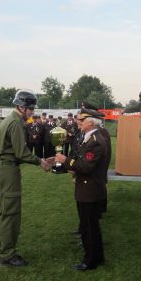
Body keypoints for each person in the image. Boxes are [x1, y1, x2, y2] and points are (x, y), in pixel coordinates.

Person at [0, 90, 51, 267]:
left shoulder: (8, 120)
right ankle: (7, 255)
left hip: (1, 168)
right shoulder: (15, 122)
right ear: (21, 107)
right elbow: (21, 153)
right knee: (11, 213)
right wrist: (40, 162)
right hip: (7, 169)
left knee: (4, 212)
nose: (32, 112)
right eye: (30, 109)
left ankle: (1, 251)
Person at [54, 108, 109, 271]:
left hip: (90, 190)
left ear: (90, 122)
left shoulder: (95, 141)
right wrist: (70, 166)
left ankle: (90, 261)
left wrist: (66, 160)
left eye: (81, 120)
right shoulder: (90, 137)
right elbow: (82, 162)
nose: (78, 122)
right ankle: (97, 256)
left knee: (88, 228)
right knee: (91, 227)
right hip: (87, 188)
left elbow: (85, 166)